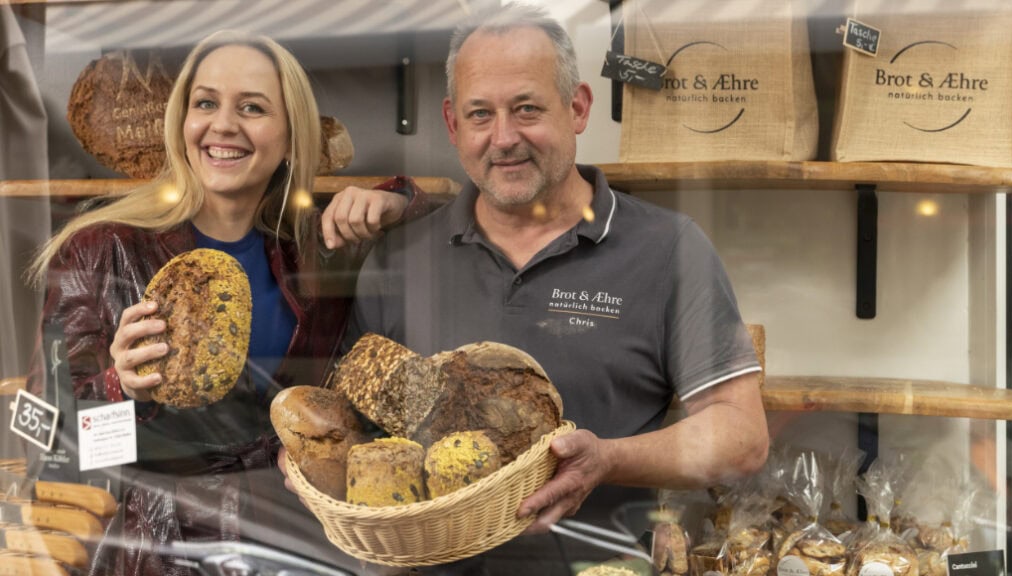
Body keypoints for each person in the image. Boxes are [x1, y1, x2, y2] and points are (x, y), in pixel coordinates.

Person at [289, 3, 769, 573]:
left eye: (527, 109)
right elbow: (353, 423)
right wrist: (309, 461)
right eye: (480, 114)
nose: (505, 137)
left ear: (578, 107)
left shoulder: (668, 249)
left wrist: (607, 459)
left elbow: (742, 437)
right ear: (452, 124)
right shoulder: (402, 253)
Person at [25, 29, 428, 576]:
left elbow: (455, 230)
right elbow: (49, 448)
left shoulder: (313, 252)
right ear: (182, 122)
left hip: (290, 539)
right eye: (206, 103)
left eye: (253, 108)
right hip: (159, 548)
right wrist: (120, 386)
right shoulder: (101, 249)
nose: (223, 125)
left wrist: (398, 199)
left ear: (290, 137)